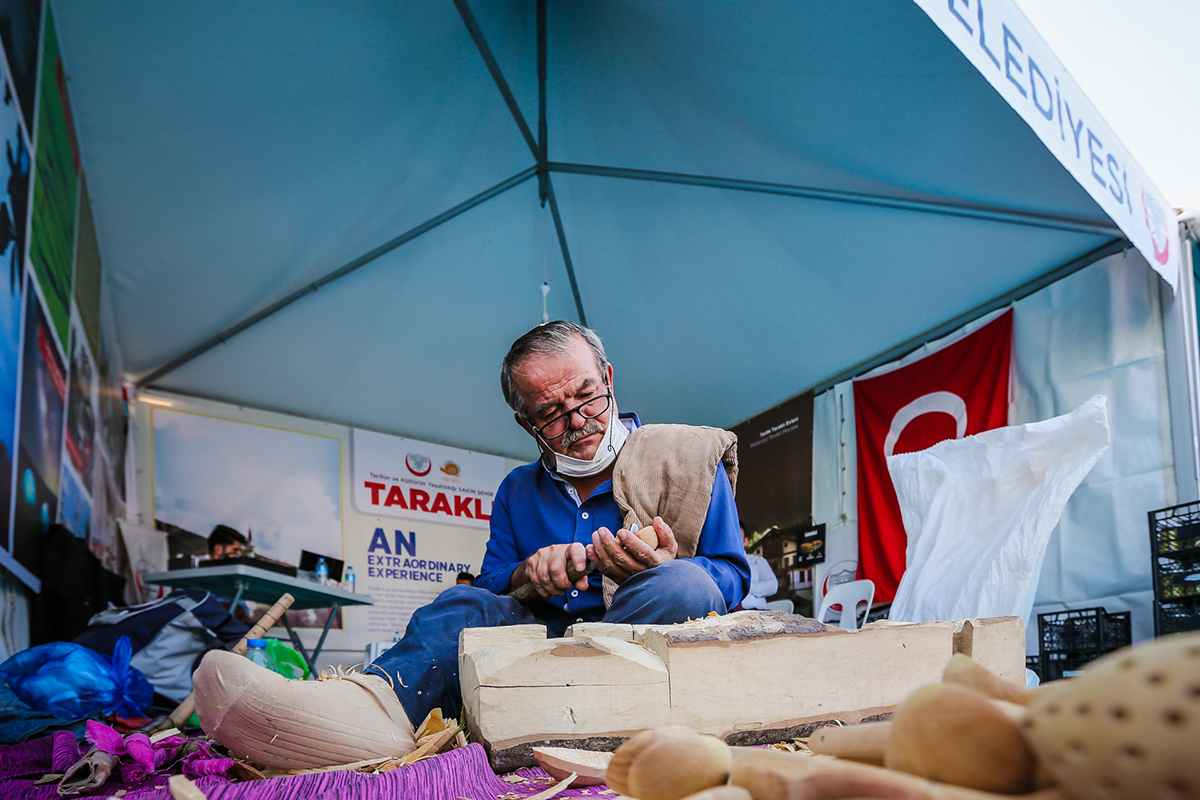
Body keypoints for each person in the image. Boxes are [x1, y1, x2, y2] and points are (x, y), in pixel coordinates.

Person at [193, 321, 750, 769]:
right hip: (542, 651)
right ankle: (374, 709)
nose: (578, 422)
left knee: (683, 583)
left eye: (588, 398)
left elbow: (731, 573)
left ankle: (593, 715)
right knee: (464, 606)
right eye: (551, 415)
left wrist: (661, 567)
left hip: (636, 640)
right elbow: (489, 591)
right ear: (524, 421)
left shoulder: (687, 458)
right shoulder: (516, 490)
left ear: (608, 376)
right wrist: (530, 574)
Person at [739, 526, 780, 610]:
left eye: (739, 537)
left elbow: (772, 586)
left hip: (755, 613)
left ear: (745, 541)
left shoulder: (758, 561)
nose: (735, 541)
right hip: (726, 615)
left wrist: (746, 588)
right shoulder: (721, 565)